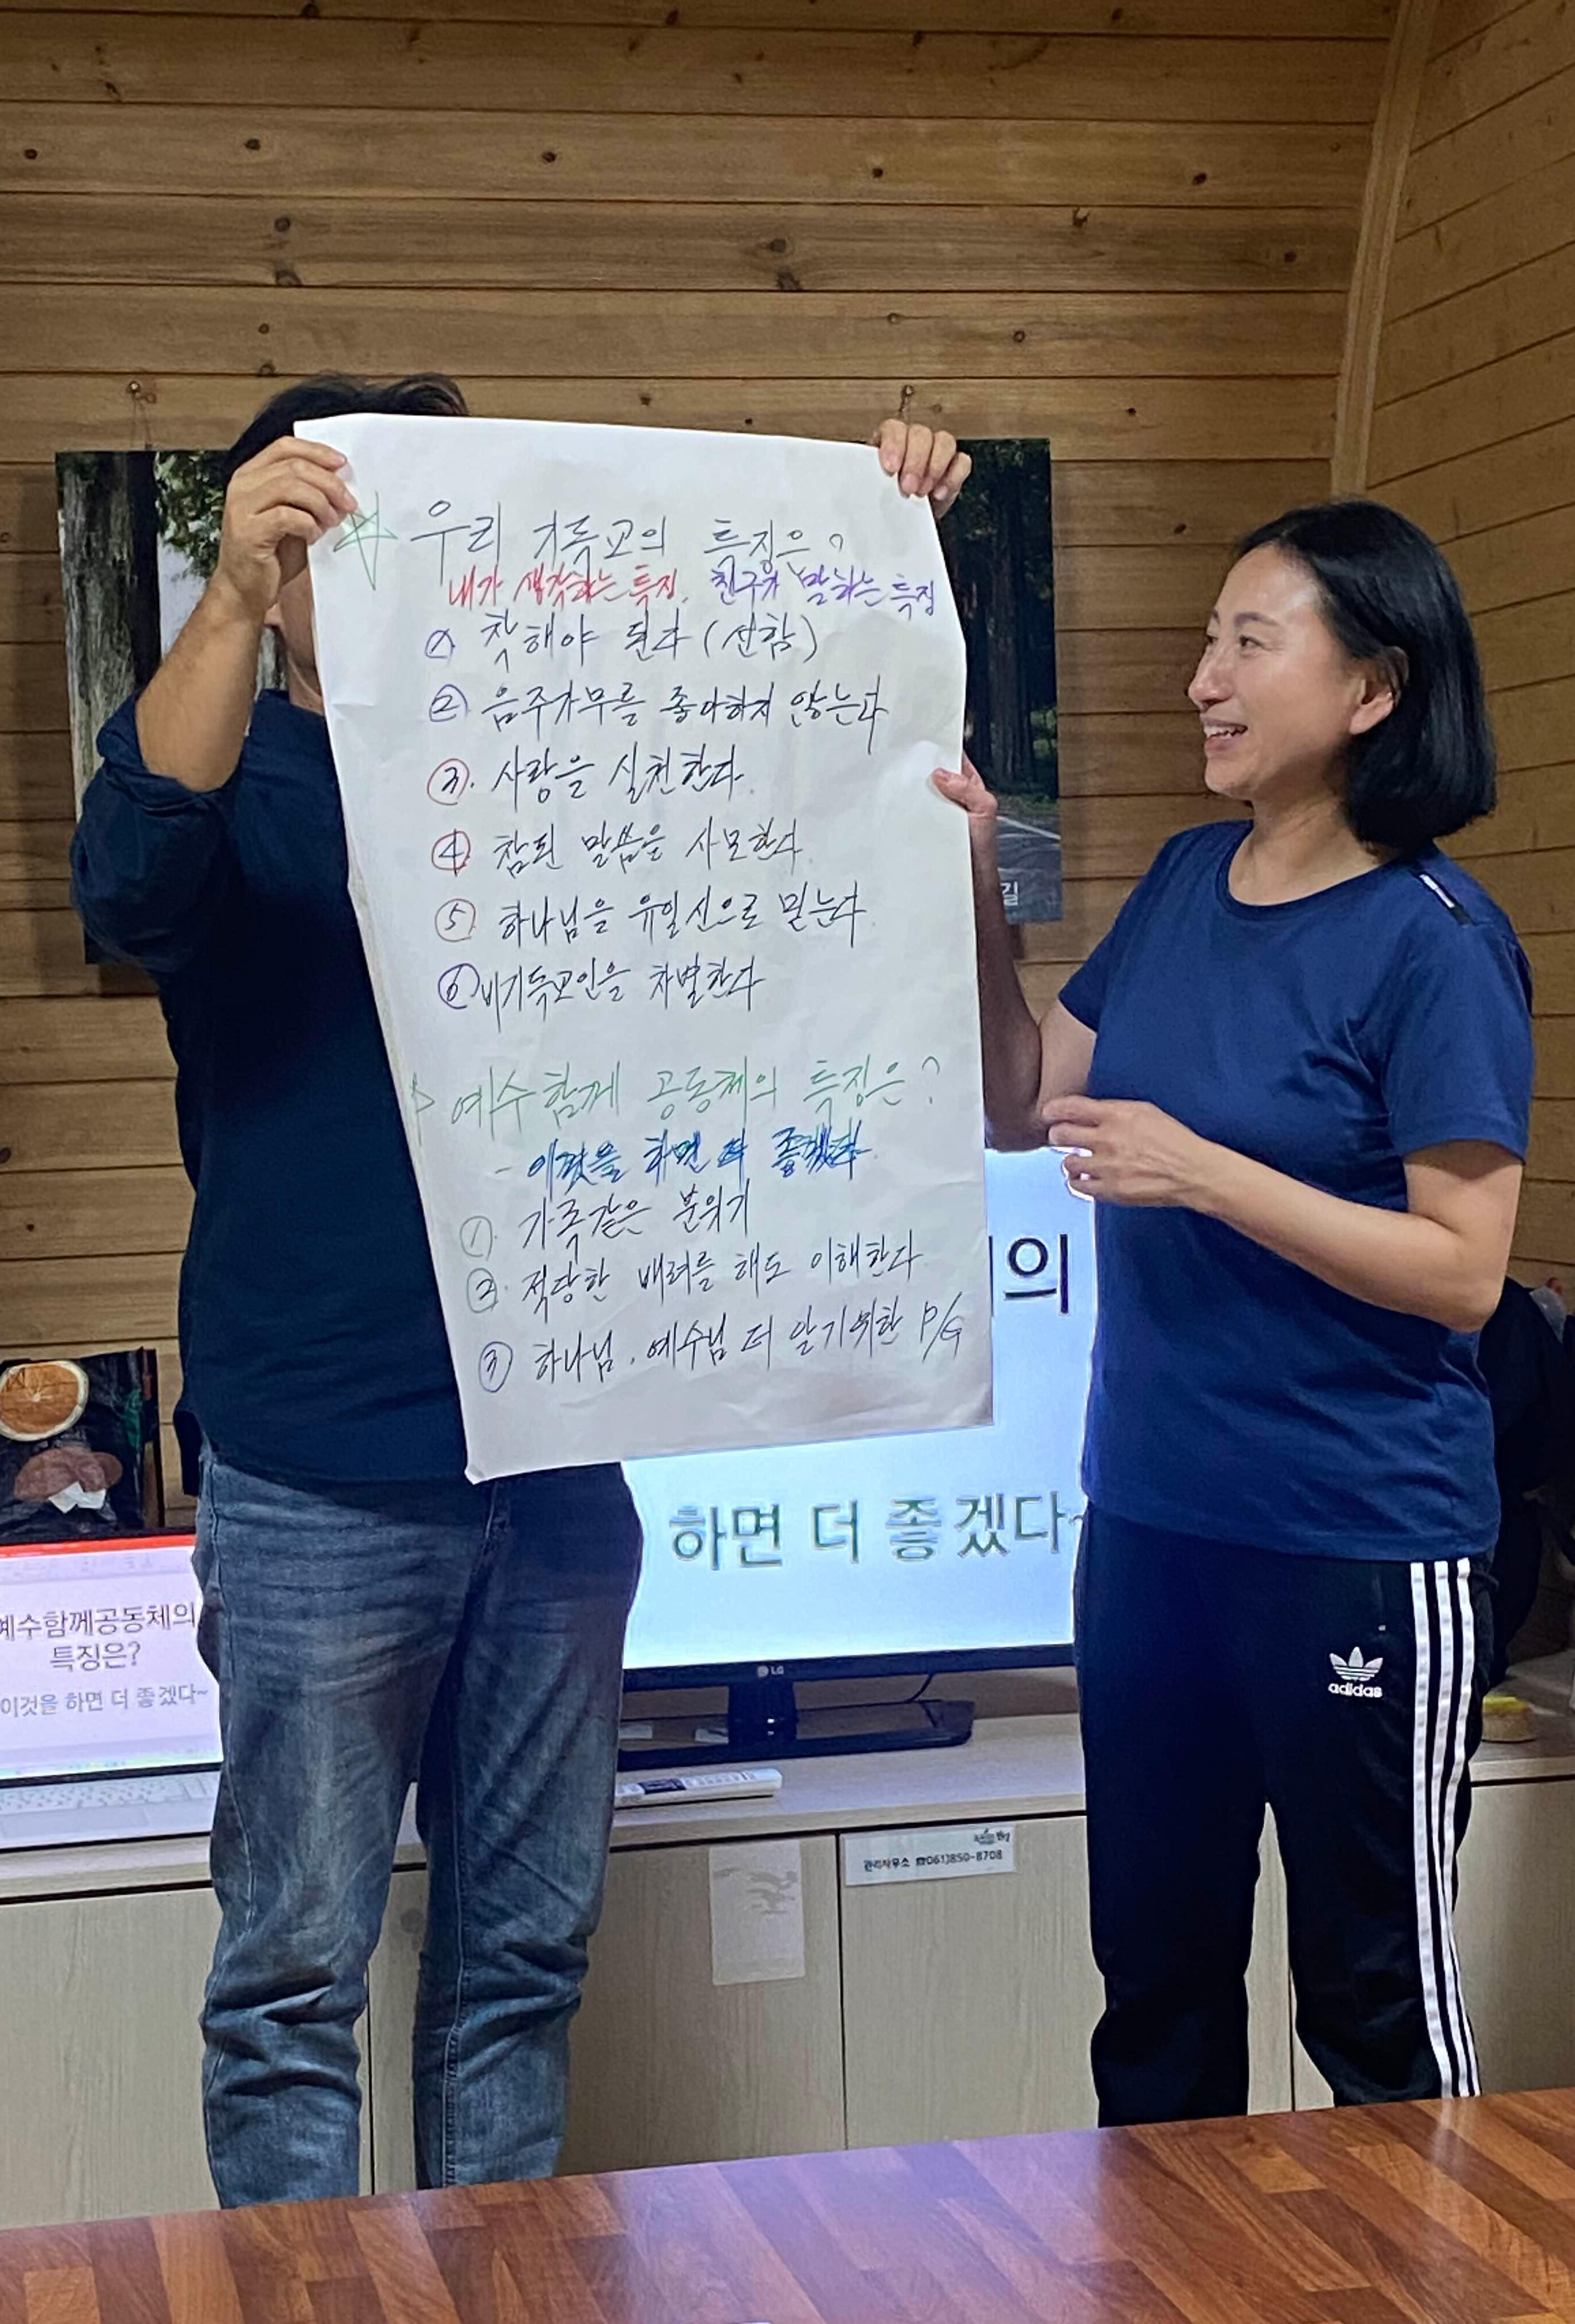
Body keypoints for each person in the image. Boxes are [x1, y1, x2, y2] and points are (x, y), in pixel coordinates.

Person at [71, 373, 969, 2205]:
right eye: (321, 519)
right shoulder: (237, 769)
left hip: (560, 1446)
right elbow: (129, 882)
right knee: (292, 1973)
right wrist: (232, 593)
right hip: (318, 1462)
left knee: (523, 1961)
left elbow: (798, 822)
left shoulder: (573, 764)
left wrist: (879, 526)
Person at [936, 500, 1532, 2118]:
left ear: (1374, 689)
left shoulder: (1437, 943)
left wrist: (1207, 1175)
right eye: (1209, 643)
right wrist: (981, 884)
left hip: (1359, 1541)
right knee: (1156, 1992)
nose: (1204, 680)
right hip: (1151, 1530)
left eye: (1249, 644)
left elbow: (1462, 1270)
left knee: (1375, 2009)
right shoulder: (1189, 879)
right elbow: (1018, 1103)